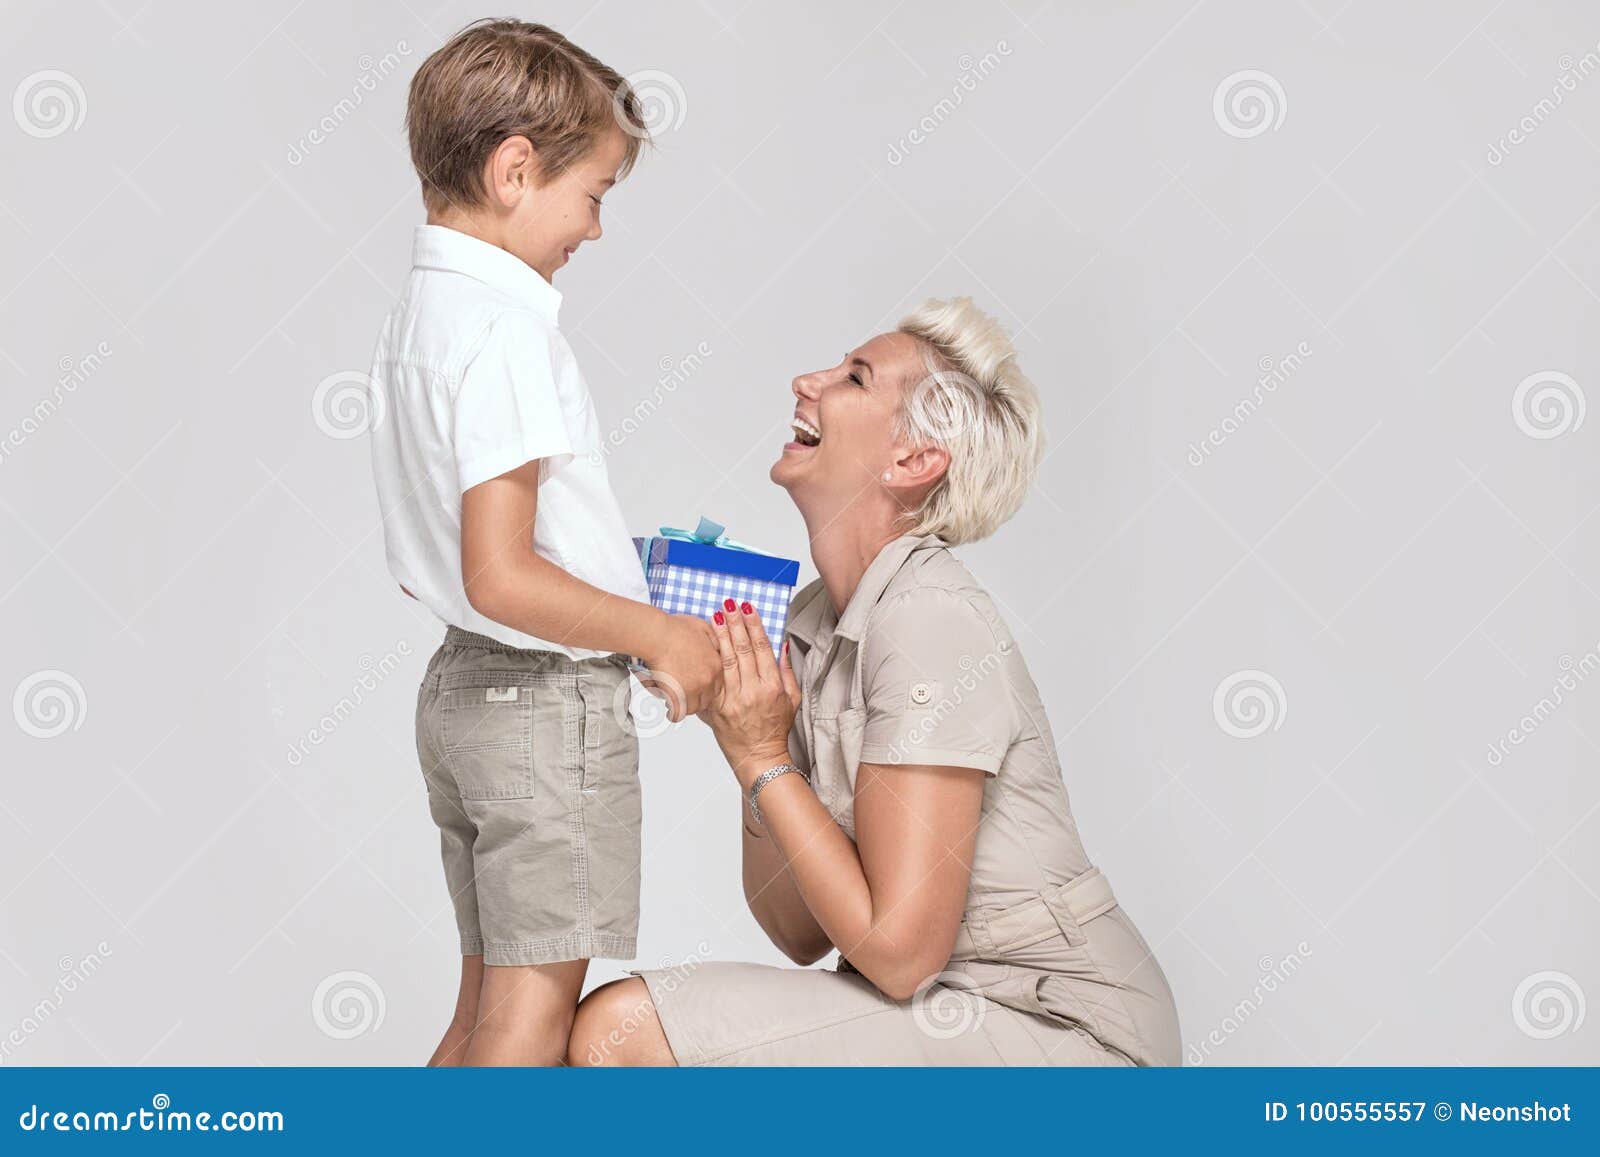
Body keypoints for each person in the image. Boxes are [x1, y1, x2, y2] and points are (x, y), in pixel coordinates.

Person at [567, 297, 1182, 1065]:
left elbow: (897, 954)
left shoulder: (929, 617)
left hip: (1063, 1034)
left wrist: (765, 755)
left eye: (854, 378)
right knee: (616, 1031)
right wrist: (745, 742)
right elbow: (796, 931)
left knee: (619, 1032)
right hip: (944, 1012)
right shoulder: (815, 621)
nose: (807, 382)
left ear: (914, 461)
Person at [367, 19, 720, 1067]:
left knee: (482, 1009)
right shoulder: (508, 331)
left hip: (462, 694)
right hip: (540, 710)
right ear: (515, 169)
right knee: (530, 1021)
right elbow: (504, 571)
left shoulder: (420, 315)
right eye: (595, 195)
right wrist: (661, 632)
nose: (597, 229)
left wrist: (615, 561)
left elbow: (461, 560)